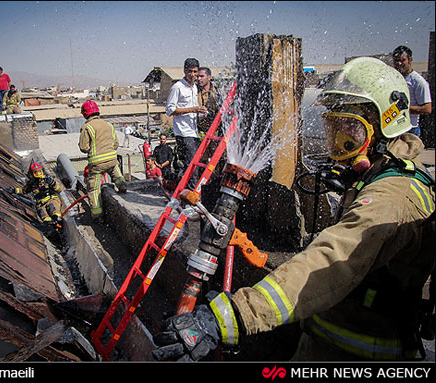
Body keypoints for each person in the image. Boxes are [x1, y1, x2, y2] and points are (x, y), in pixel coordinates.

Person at [152, 57, 435, 362]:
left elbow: (329, 261)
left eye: (349, 126)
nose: (336, 138)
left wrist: (229, 315)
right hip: (323, 347)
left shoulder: (392, 196)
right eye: (333, 124)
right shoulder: (372, 178)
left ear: (382, 126)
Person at [79, 100, 127, 223]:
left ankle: (97, 216)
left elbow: (84, 148)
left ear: (85, 114)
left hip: (96, 163)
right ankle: (122, 185)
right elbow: (115, 143)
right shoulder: (109, 125)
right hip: (112, 158)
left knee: (94, 189)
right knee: (116, 172)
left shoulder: (87, 127)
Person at [166, 58, 207, 188]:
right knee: (191, 165)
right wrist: (193, 109)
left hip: (193, 131)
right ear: (184, 71)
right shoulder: (177, 87)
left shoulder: (194, 87)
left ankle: (184, 190)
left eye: (195, 72)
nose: (193, 75)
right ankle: (190, 196)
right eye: (190, 71)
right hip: (183, 132)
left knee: (192, 163)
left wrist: (200, 112)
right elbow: (170, 110)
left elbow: (193, 108)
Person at [392, 45, 432, 138]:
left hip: (410, 129)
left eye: (402, 60)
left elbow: (427, 109)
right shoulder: (394, 78)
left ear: (410, 60)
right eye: (396, 61)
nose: (399, 63)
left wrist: (404, 108)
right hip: (394, 128)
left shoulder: (418, 82)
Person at [197, 67, 221, 134]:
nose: (199, 79)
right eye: (197, 76)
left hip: (215, 130)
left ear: (209, 77)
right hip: (199, 130)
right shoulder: (194, 92)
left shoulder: (218, 92)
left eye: (202, 76)